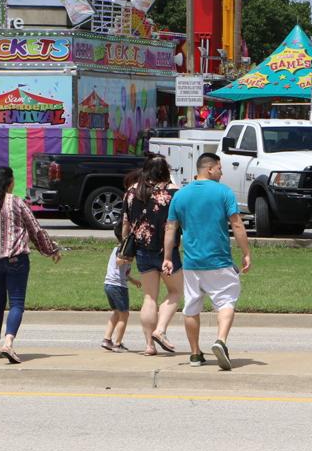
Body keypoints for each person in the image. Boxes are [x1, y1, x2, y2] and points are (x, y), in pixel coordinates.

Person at [162, 153, 252, 371]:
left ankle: (194, 354)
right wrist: (246, 252)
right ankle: (220, 340)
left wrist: (166, 257)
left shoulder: (180, 195)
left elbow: (170, 228)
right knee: (226, 302)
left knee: (191, 307)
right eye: (220, 168)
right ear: (209, 169)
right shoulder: (223, 192)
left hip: (192, 262)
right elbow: (237, 225)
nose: (222, 172)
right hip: (219, 260)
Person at [0, 166, 62, 363]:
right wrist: (51, 249)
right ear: (9, 182)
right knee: (16, 303)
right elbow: (35, 230)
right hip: (16, 260)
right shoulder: (17, 202)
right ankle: (8, 342)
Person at [122, 156, 184, 356]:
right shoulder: (173, 192)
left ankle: (149, 345)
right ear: (165, 170)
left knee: (149, 297)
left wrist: (125, 249)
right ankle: (161, 329)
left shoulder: (132, 192)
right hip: (167, 250)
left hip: (141, 249)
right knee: (175, 291)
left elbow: (125, 223)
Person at [103, 220, 142, 352]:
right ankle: (117, 344)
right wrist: (128, 258)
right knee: (124, 315)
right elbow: (119, 261)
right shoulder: (122, 248)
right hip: (117, 286)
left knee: (116, 313)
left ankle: (107, 339)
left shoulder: (119, 247)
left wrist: (133, 280)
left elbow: (121, 272)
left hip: (109, 284)